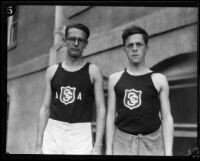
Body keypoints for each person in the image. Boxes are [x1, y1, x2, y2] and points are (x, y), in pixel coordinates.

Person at [35, 23, 106, 155]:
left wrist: (98, 145)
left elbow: (101, 108)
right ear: (65, 41)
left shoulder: (93, 71)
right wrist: (38, 145)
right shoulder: (52, 71)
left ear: (86, 44)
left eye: (80, 40)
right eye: (72, 39)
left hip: (81, 132)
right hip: (54, 130)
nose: (76, 43)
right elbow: (44, 108)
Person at [106, 25, 174, 156]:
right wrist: (109, 150)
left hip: (153, 144)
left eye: (139, 44)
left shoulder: (159, 79)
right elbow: (110, 116)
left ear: (146, 48)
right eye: (130, 45)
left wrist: (169, 152)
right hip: (122, 143)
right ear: (124, 50)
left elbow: (166, 118)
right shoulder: (115, 79)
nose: (135, 49)